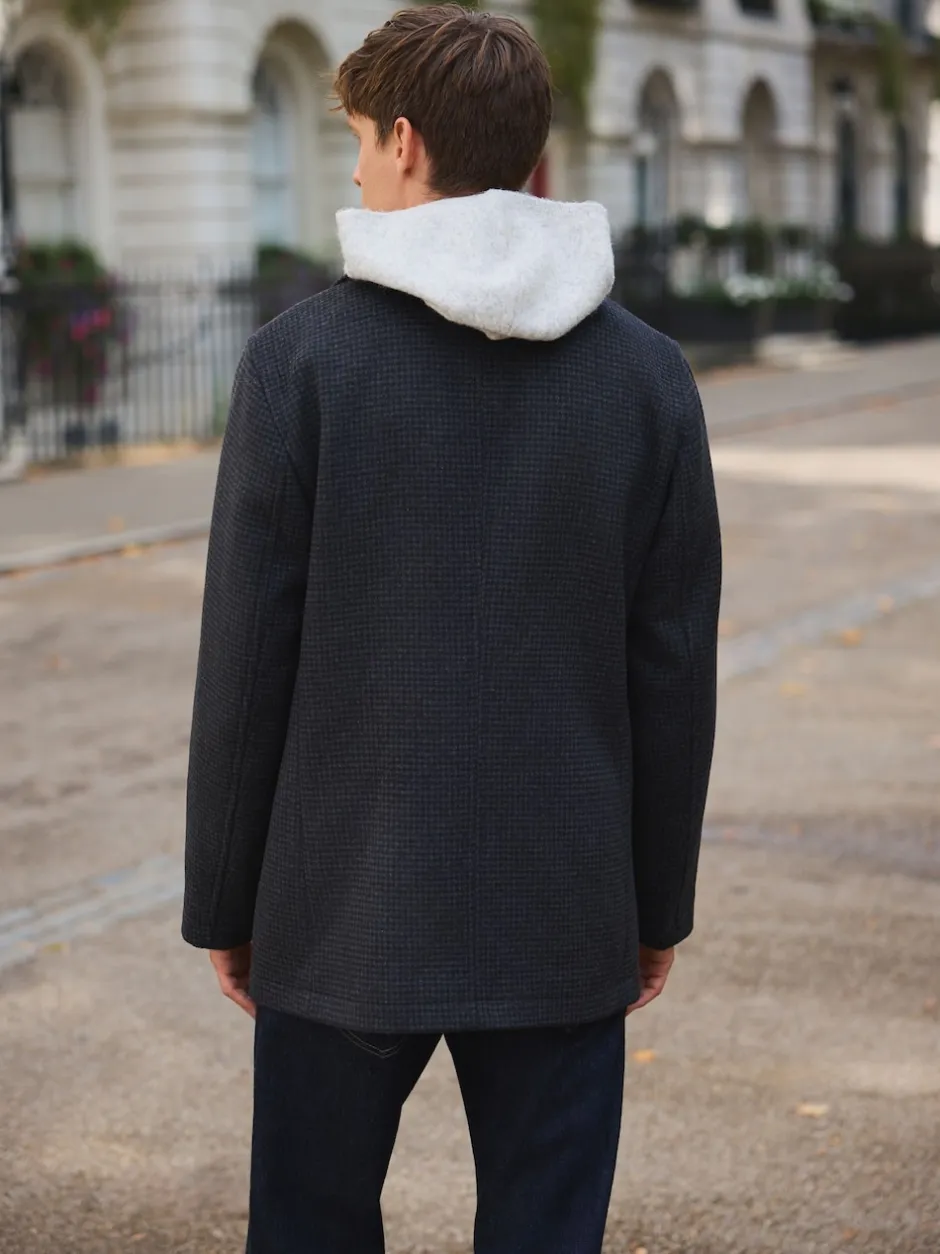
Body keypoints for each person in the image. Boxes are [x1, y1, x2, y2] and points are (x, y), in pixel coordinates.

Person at [182, 6, 721, 1252]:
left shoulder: (299, 365)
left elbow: (247, 664)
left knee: (310, 1229)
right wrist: (654, 905)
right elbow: (672, 669)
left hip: (340, 904)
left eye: (359, 141)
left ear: (407, 141)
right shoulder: (648, 378)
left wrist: (226, 901)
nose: (355, 173)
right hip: (565, 905)